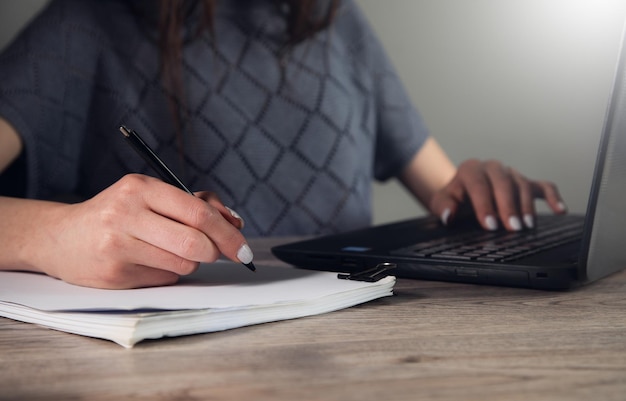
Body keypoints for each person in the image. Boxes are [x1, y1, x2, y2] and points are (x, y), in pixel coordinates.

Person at [0, 0, 565, 289]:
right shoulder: (82, 28)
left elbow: (445, 191)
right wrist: (57, 234)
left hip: (361, 360)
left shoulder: (333, 21)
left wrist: (475, 197)